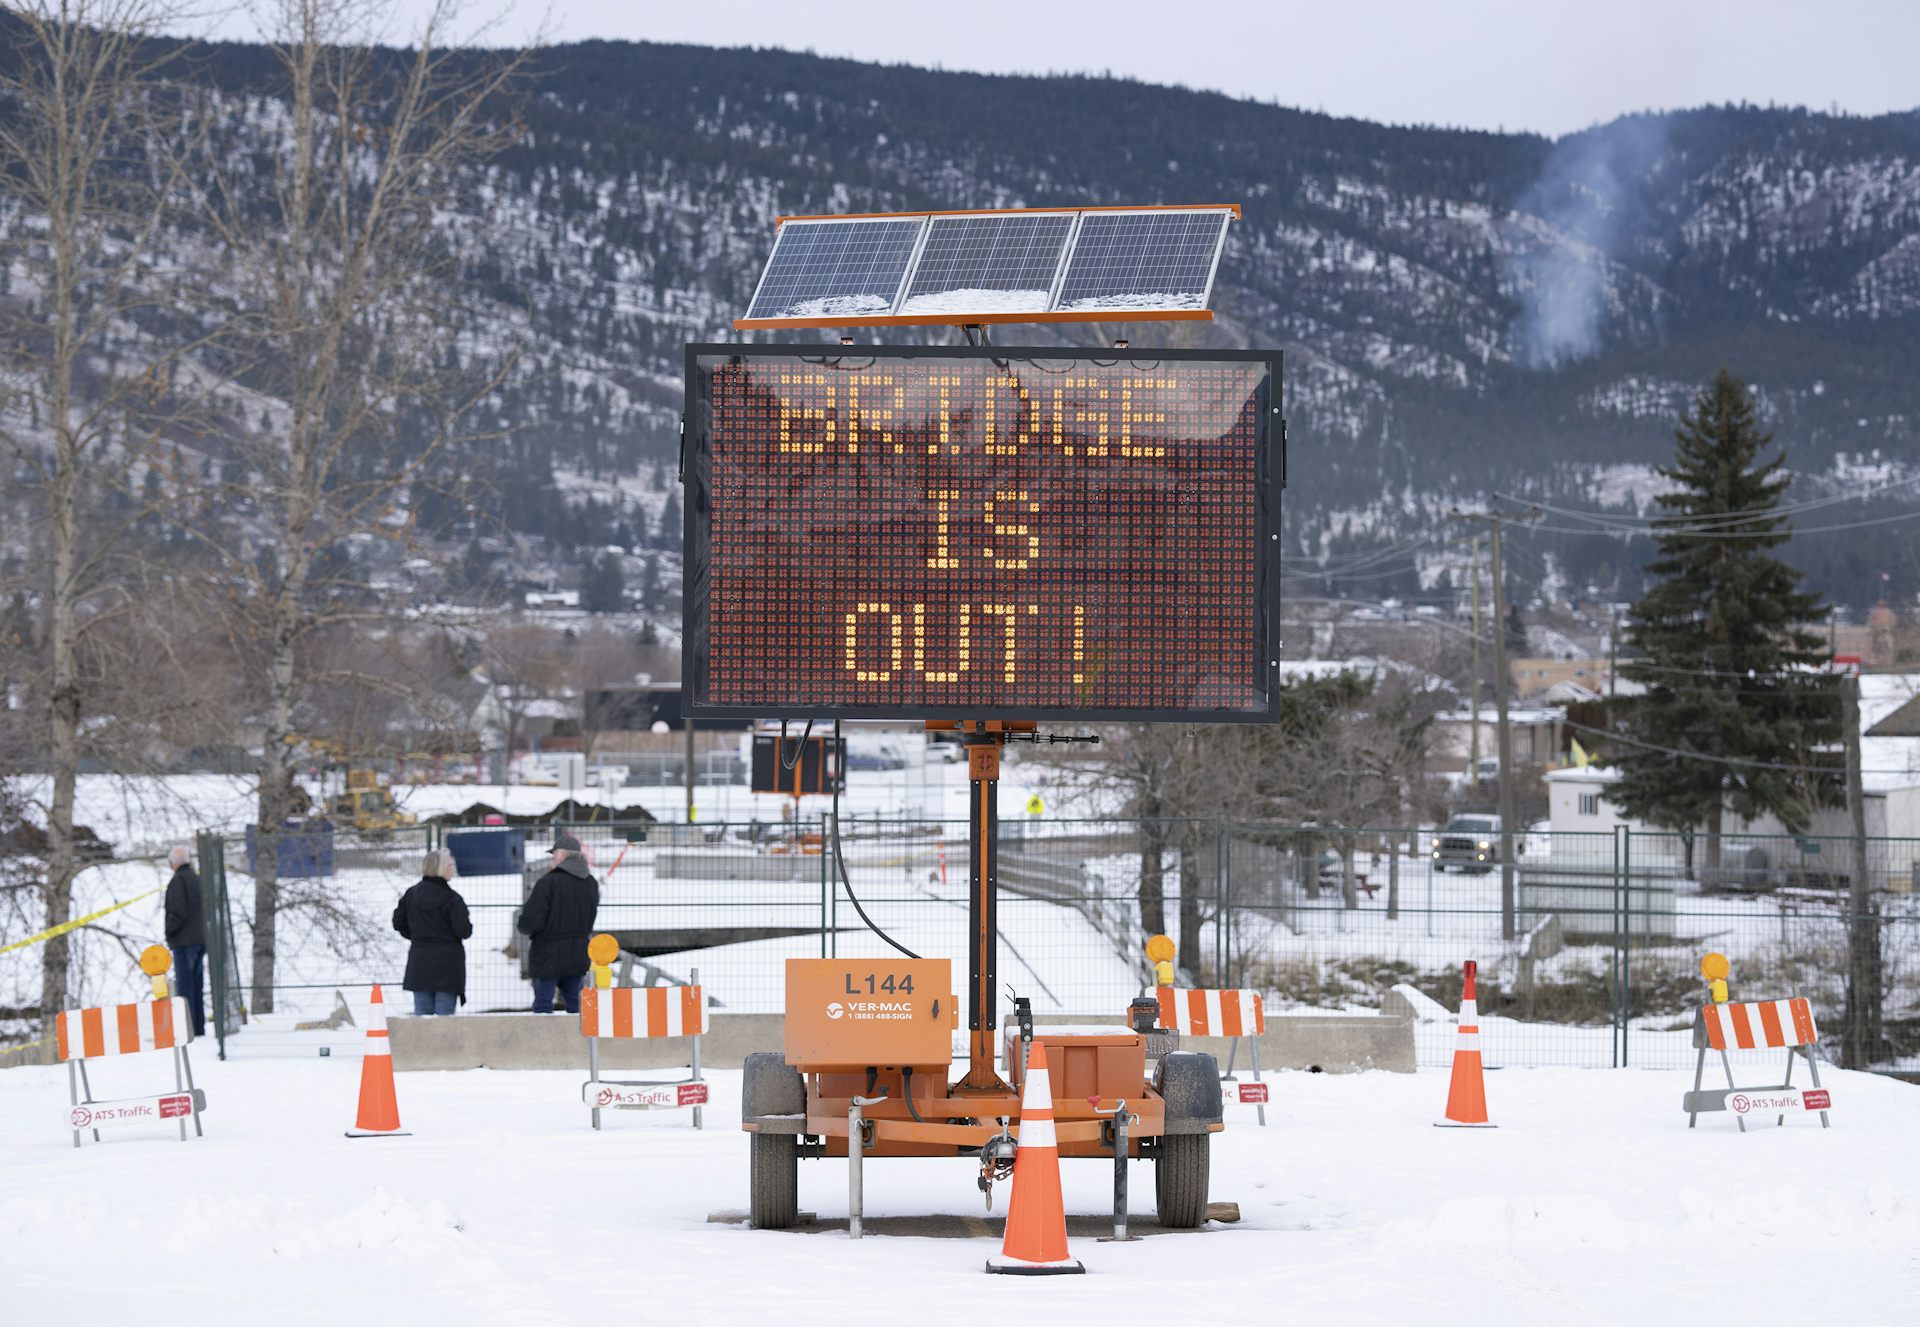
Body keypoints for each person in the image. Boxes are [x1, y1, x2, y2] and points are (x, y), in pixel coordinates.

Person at [519, 832, 599, 1013]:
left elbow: (531, 921)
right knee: (576, 1006)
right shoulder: (591, 883)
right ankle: (579, 1040)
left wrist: (524, 925)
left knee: (543, 1004)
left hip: (548, 954)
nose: (552, 860)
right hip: (578, 953)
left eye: (554, 855)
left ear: (563, 855)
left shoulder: (548, 882)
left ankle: (543, 1040)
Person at [392, 849, 473, 1016]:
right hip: (448, 964)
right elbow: (463, 930)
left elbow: (398, 922)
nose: (453, 869)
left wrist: (417, 936)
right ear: (442, 868)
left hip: (420, 961)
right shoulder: (453, 899)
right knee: (444, 1018)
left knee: (422, 1017)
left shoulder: (411, 894)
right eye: (450, 865)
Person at [164, 845, 207, 1037]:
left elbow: (178, 912)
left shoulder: (177, 882)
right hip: (200, 940)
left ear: (172, 863)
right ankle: (199, 1027)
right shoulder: (198, 880)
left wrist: (169, 932)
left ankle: (187, 1029)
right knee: (197, 985)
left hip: (183, 941)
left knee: (185, 987)